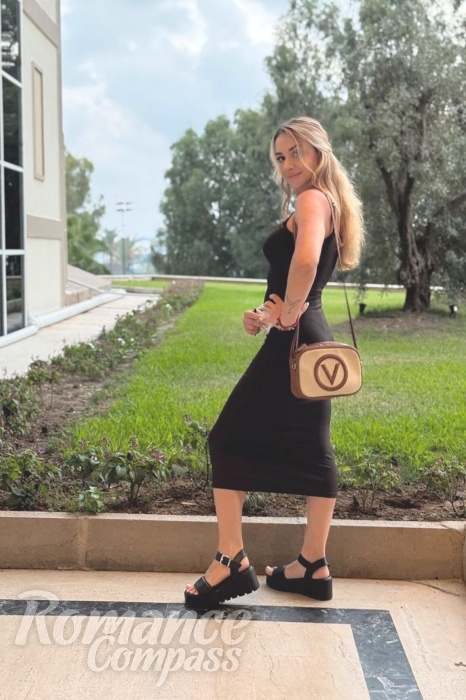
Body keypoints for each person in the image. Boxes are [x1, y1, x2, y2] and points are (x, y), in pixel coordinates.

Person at [184, 115, 364, 609]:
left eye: (295, 152)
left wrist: (285, 314)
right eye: (280, 157)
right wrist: (266, 313)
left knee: (227, 436)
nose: (287, 164)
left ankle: (230, 560)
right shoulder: (327, 201)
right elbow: (295, 278)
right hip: (309, 336)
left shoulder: (311, 199)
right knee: (313, 447)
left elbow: (305, 262)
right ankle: (312, 566)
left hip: (294, 341)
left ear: (318, 151)